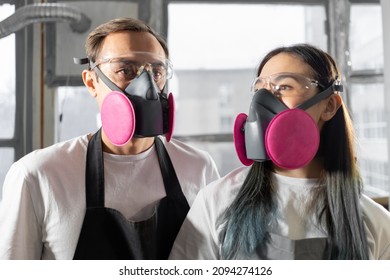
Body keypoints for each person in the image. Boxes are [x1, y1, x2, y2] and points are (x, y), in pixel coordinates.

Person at [0, 17, 220, 260]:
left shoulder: (199, 168)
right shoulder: (37, 175)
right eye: (125, 70)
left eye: (156, 71)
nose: (146, 85)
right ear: (92, 82)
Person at [169, 43, 390, 260]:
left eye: (284, 87)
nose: (263, 101)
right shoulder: (216, 201)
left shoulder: (375, 222)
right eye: (259, 90)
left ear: (329, 105)